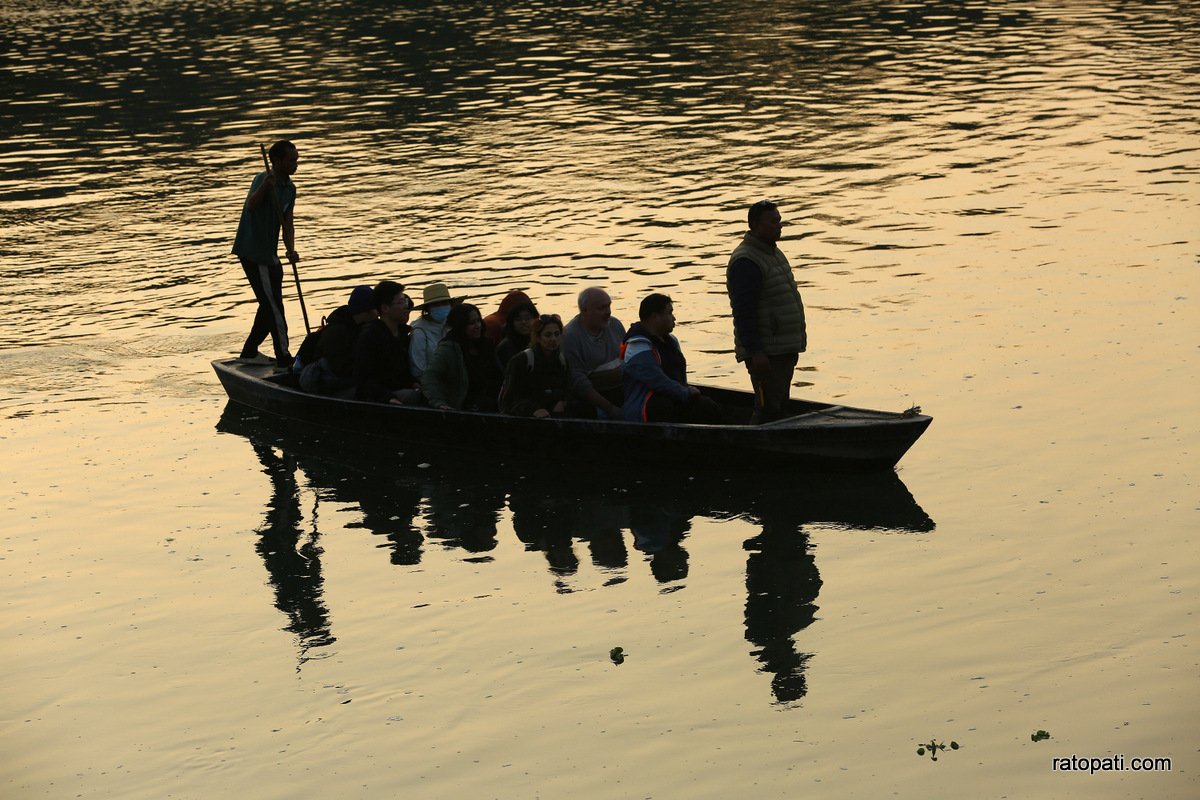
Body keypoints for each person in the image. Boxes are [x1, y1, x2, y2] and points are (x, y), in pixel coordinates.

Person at [726, 199, 807, 423]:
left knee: (780, 406)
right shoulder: (746, 261)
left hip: (782, 348)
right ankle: (754, 448)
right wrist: (756, 352)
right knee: (768, 409)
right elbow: (743, 313)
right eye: (773, 222)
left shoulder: (772, 253)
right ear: (755, 225)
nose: (779, 225)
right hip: (767, 353)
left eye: (779, 220)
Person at [232, 139, 300, 369]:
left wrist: (291, 249)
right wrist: (265, 187)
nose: (295, 164)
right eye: (291, 160)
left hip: (270, 254)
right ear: (278, 161)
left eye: (296, 160)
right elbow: (251, 206)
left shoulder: (290, 189)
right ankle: (283, 355)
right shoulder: (263, 179)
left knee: (269, 303)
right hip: (253, 251)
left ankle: (250, 351)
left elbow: (288, 224)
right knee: (273, 306)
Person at [621, 293, 722, 424]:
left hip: (674, 395)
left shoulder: (671, 341)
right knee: (664, 407)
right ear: (655, 317)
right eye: (669, 313)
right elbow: (657, 381)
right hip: (644, 406)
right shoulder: (637, 346)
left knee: (708, 407)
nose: (674, 318)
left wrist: (686, 392)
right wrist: (685, 393)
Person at [420, 303, 502, 412]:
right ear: (461, 325)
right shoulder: (449, 348)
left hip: (490, 402)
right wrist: (438, 402)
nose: (478, 326)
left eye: (478, 321)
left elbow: (499, 374)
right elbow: (430, 376)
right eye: (471, 323)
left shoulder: (486, 345)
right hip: (463, 406)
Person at [299, 285, 376, 396]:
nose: (378, 313)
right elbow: (340, 368)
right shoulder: (337, 333)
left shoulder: (362, 326)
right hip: (329, 381)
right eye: (375, 309)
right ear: (365, 312)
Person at [561, 287, 625, 419]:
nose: (608, 312)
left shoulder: (615, 324)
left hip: (622, 390)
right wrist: (610, 408)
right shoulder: (570, 336)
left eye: (608, 306)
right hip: (595, 400)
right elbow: (579, 383)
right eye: (601, 308)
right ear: (584, 310)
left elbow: (627, 358)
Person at [354, 281, 421, 405]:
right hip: (381, 396)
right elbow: (365, 379)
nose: (406, 306)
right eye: (401, 302)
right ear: (385, 308)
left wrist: (413, 383)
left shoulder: (403, 334)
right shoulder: (370, 337)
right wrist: (387, 398)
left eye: (405, 301)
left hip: (402, 388)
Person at [500, 314, 570, 418]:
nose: (553, 339)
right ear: (537, 338)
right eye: (548, 335)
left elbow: (567, 389)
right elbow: (509, 400)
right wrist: (533, 410)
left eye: (557, 334)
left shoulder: (562, 361)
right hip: (526, 416)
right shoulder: (521, 361)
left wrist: (563, 402)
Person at [409, 283, 464, 380]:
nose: (441, 307)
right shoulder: (419, 332)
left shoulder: (453, 324)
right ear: (428, 308)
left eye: (444, 303)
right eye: (436, 304)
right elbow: (418, 370)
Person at [494, 299, 538, 370]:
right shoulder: (505, 347)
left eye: (528, 318)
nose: (523, 322)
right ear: (512, 323)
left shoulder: (541, 340)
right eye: (518, 319)